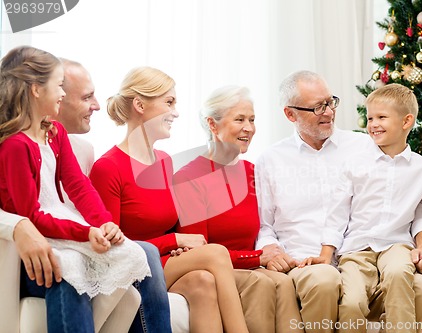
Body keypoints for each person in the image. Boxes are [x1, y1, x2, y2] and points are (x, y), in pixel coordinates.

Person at [255, 70, 422, 333]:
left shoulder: (367, 146)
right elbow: (264, 225)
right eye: (318, 107)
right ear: (290, 114)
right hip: (307, 261)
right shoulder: (271, 160)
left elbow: (413, 200)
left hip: (367, 260)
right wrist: (271, 251)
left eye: (330, 102)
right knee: (325, 279)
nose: (328, 112)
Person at [89, 67, 249, 333]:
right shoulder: (108, 167)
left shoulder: (163, 161)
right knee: (217, 253)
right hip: (129, 268)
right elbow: (110, 248)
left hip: (162, 262)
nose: (176, 112)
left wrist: (176, 244)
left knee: (203, 283)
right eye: (169, 102)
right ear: (140, 105)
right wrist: (174, 241)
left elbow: (167, 226)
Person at [0, 46, 148, 333]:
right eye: (58, 86)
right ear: (35, 90)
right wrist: (84, 233)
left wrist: (103, 222)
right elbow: (30, 214)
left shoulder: (55, 132)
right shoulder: (15, 146)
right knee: (70, 267)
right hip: (37, 245)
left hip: (60, 231)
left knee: (133, 255)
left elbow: (78, 185)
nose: (63, 94)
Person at [303, 83, 422, 333]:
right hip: (356, 250)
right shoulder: (353, 164)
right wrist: (326, 254)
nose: (373, 124)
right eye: (370, 118)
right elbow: (337, 215)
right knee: (351, 302)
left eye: (381, 117)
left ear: (406, 121)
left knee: (400, 275)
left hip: (397, 245)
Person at [173, 85, 303, 333]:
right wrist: (257, 258)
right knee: (260, 284)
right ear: (213, 125)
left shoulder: (251, 172)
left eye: (252, 120)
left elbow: (268, 226)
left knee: (284, 284)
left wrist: (271, 253)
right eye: (240, 119)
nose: (249, 128)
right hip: (215, 270)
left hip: (250, 264)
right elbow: (201, 251)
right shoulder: (189, 177)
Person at [56, 58, 173, 333]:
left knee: (202, 278)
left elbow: (81, 191)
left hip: (91, 239)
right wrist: (90, 231)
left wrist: (104, 223)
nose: (97, 104)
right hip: (73, 244)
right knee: (147, 251)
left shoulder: (76, 146)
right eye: (87, 97)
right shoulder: (108, 165)